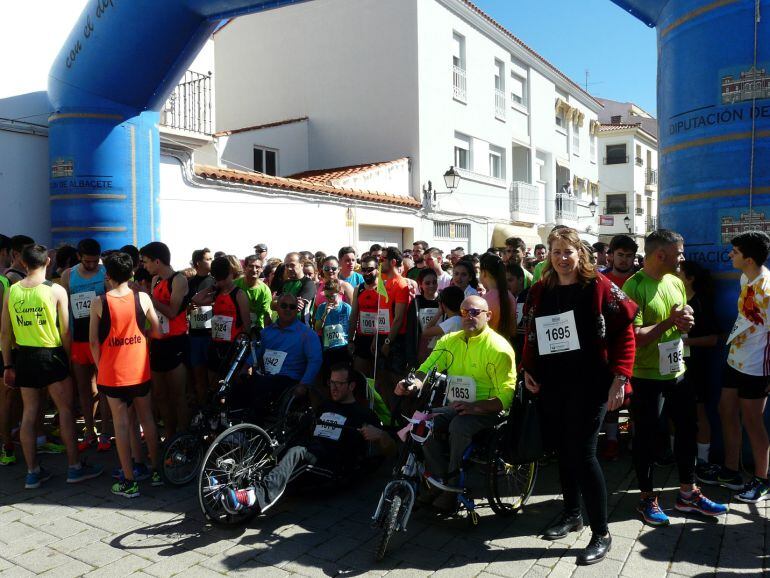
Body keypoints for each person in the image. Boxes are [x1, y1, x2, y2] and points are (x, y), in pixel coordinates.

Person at [522, 227, 637, 565]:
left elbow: (625, 331)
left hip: (592, 384)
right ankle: (572, 513)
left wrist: (620, 379)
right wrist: (528, 368)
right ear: (549, 254)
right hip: (553, 382)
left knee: (584, 453)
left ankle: (601, 532)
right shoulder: (541, 290)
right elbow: (531, 331)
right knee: (562, 449)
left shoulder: (599, 287)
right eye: (556, 252)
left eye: (568, 252)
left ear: (581, 254)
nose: (562, 258)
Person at [622, 230, 727, 526]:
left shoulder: (675, 282)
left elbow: (681, 325)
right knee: (647, 437)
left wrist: (686, 319)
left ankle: (687, 493)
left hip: (677, 371)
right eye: (679, 253)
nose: (683, 257)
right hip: (645, 376)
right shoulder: (635, 286)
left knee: (687, 430)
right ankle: (646, 499)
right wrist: (669, 321)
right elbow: (635, 337)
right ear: (661, 254)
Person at [394, 295, 516, 513]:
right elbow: (427, 366)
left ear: (488, 316)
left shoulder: (499, 348)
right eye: (463, 312)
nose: (468, 316)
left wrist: (476, 407)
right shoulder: (450, 341)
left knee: (458, 426)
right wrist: (412, 383)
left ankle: (450, 489)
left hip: (487, 410)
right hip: (457, 407)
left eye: (475, 312)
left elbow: (506, 396)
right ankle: (439, 481)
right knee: (421, 423)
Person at [222, 363, 395, 513]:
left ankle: (254, 497)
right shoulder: (325, 405)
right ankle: (232, 489)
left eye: (340, 384)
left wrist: (380, 435)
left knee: (297, 454)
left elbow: (390, 449)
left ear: (351, 386)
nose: (334, 388)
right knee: (280, 448)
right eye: (331, 382)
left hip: (333, 467)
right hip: (311, 452)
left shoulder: (364, 414)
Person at [1, 244, 103, 489]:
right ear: (48, 261)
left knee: (29, 414)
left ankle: (32, 472)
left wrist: (7, 365)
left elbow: (5, 332)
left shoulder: (12, 290)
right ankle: (74, 467)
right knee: (65, 411)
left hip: (24, 356)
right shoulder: (55, 289)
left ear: (24, 263)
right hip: (52, 355)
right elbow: (66, 331)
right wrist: (67, 360)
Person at [88, 252, 163, 497]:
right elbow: (157, 331)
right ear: (131, 273)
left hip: (112, 375)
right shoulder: (143, 298)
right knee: (147, 420)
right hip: (139, 370)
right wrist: (142, 341)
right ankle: (157, 471)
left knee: (120, 425)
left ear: (107, 276)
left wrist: (101, 368)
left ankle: (129, 480)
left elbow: (93, 342)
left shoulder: (99, 302)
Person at [709, 232, 770, 502]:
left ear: (749, 258)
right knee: (726, 410)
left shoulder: (767, 289)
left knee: (753, 422)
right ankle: (731, 470)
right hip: (735, 357)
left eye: (734, 251)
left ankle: (762, 479)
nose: (730, 255)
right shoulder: (746, 277)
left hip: (757, 366)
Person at [60, 238, 112, 452]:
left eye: (95, 261)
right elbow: (63, 309)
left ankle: (106, 433)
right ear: (79, 257)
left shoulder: (104, 272)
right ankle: (90, 432)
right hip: (79, 340)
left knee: (105, 388)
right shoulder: (68, 275)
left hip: (101, 339)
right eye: (88, 261)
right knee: (84, 388)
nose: (92, 265)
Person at [233, 293, 322, 415]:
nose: (287, 309)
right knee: (237, 387)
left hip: (288, 380)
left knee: (261, 387)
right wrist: (244, 369)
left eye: (292, 307)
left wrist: (304, 384)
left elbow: (315, 361)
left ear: (297, 310)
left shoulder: (307, 334)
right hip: (265, 376)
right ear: (277, 308)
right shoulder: (266, 332)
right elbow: (255, 353)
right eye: (284, 306)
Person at [140, 241, 190, 439]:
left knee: (178, 396)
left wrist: (148, 299)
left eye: (146, 261)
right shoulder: (155, 281)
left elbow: (171, 311)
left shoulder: (179, 280)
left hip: (176, 343)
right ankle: (169, 436)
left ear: (157, 261)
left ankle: (184, 438)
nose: (144, 265)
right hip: (158, 343)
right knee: (160, 396)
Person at [674, 261, 718, 478]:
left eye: (678, 272)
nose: (673, 275)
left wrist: (685, 343)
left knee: (699, 413)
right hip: (674, 364)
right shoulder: (674, 299)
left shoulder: (701, 303)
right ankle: (677, 454)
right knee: (674, 412)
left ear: (689, 278)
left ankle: (703, 460)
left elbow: (712, 339)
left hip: (697, 366)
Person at [192, 257, 251, 384]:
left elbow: (247, 325)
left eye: (224, 278)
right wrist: (212, 287)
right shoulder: (216, 294)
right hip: (216, 344)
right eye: (219, 278)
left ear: (231, 273)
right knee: (213, 381)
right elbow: (196, 299)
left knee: (232, 383)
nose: (222, 281)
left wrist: (241, 348)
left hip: (232, 346)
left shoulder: (239, 294)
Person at [373, 247, 412, 397]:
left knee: (397, 382)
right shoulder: (383, 283)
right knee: (382, 381)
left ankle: (401, 416)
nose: (380, 262)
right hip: (382, 337)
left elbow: (399, 318)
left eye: (382, 259)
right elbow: (380, 313)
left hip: (395, 341)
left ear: (393, 262)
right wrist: (377, 337)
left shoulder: (401, 284)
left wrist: (388, 342)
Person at [187, 248, 215, 407]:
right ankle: (202, 409)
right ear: (198, 263)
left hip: (212, 335)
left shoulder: (215, 282)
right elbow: (184, 307)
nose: (211, 261)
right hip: (195, 335)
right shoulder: (189, 283)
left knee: (213, 378)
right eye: (208, 259)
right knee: (198, 376)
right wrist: (189, 308)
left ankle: (213, 409)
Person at [348, 256, 380, 378]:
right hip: (362, 338)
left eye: (370, 269)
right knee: (360, 376)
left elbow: (386, 317)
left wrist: (376, 339)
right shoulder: (359, 289)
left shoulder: (383, 288)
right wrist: (350, 340)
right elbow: (354, 315)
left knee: (377, 378)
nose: (366, 273)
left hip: (378, 338)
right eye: (364, 269)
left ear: (377, 269)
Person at [314, 279, 352, 380]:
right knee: (328, 377)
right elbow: (317, 328)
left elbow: (352, 327)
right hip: (328, 348)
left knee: (343, 376)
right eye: (326, 296)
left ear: (339, 293)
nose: (329, 299)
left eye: (332, 296)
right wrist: (325, 314)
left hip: (343, 347)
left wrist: (351, 343)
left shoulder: (346, 308)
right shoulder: (322, 307)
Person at [405, 269, 440, 366]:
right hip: (421, 348)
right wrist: (411, 358)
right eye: (427, 283)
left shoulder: (443, 300)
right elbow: (411, 331)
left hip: (440, 347)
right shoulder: (416, 302)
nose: (431, 286)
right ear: (421, 284)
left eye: (434, 282)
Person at [479, 253, 516, 341]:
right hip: (506, 346)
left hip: (487, 347)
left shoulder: (483, 301)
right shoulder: (510, 296)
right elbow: (513, 331)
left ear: (484, 273)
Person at [279, 253, 316, 323]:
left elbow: (298, 306)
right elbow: (272, 305)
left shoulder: (308, 283)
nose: (289, 268)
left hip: (302, 328)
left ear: (301, 265)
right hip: (284, 327)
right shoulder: (285, 283)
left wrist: (280, 303)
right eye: (287, 265)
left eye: (292, 265)